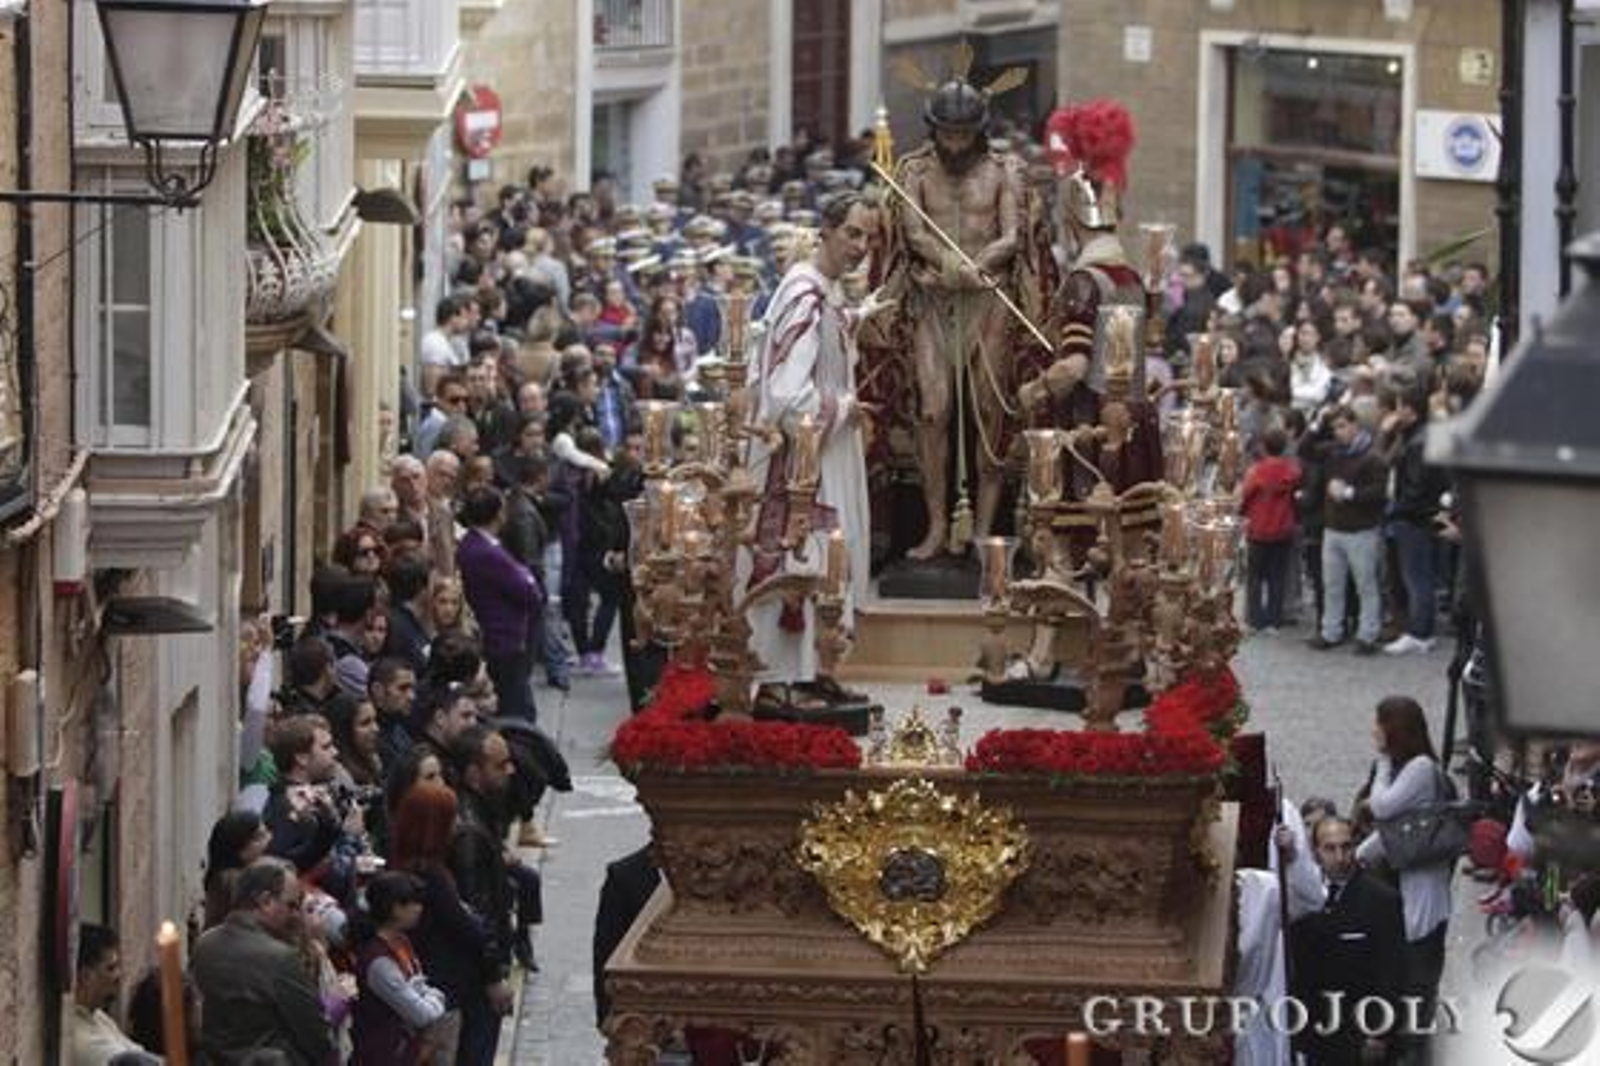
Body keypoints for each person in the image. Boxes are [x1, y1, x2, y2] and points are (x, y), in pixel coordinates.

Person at [746, 192, 886, 705]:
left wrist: (858, 316)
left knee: (830, 560)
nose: (861, 247)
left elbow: (824, 339)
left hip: (828, 453)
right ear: (824, 230)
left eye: (868, 237)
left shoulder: (821, 291)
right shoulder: (803, 292)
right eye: (852, 233)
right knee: (804, 558)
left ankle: (814, 670)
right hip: (806, 459)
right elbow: (785, 395)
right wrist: (846, 407)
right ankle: (780, 678)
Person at [890, 74, 1025, 559]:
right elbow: (914, 232)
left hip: (988, 300)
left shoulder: (1003, 171)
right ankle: (933, 526)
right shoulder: (914, 172)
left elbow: (1012, 236)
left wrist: (978, 267)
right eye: (946, 133)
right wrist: (953, 268)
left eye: (962, 134)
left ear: (978, 131)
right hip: (935, 299)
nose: (954, 143)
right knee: (933, 412)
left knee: (990, 412)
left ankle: (983, 527)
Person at [1356, 697, 1455, 1061]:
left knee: (1417, 985)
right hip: (1404, 895)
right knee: (1400, 982)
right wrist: (1355, 858)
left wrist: (1381, 764)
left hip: (1423, 899)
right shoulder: (1409, 770)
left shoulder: (1420, 768)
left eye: (1378, 722)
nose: (1372, 729)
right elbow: (1393, 833)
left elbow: (1382, 808)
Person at [392, 782, 512, 1066]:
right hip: (457, 984)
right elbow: (468, 929)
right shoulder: (433, 874)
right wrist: (494, 976)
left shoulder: (404, 867)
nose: (457, 825)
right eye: (451, 818)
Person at [191, 859, 336, 1065]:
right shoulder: (281, 958)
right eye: (291, 905)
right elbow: (316, 1035)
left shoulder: (205, 943)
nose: (295, 914)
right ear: (266, 901)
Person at [1287, 815, 1406, 1065]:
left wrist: (1379, 1032)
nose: (1340, 857)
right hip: (1314, 1030)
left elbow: (1392, 972)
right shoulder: (1303, 898)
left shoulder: (1382, 900)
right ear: (1316, 852)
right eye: (1330, 849)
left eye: (1346, 846)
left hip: (1358, 1031)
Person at [455, 487, 543, 723]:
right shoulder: (488, 552)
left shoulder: (474, 545)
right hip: (502, 639)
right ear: (499, 514)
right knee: (518, 709)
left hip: (497, 636)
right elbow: (530, 592)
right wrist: (526, 574)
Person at [350, 870, 453, 1065]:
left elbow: (421, 986)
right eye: (414, 903)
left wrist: (424, 994)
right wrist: (434, 997)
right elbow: (421, 1014)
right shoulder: (379, 962)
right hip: (387, 1054)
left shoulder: (401, 941)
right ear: (396, 909)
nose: (420, 909)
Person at [1309, 406, 1388, 654]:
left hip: (1361, 530)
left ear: (1356, 425)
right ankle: (1331, 631)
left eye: (1343, 426)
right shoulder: (1334, 452)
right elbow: (1305, 449)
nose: (1338, 432)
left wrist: (1350, 493)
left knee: (1366, 585)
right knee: (1332, 584)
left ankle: (1368, 635)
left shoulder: (1373, 457)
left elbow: (1379, 492)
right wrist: (1317, 424)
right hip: (1333, 529)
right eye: (1335, 428)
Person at [71, 924, 160, 1066]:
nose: (118, 976)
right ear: (85, 977)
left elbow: (141, 1054)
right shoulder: (80, 1038)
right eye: (111, 968)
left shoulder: (97, 1016)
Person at [1240, 427, 1301, 632]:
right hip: (1283, 529)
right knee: (1277, 576)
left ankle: (1255, 619)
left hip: (1258, 530)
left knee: (1255, 577)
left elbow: (1245, 497)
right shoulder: (1291, 471)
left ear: (1264, 447)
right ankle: (1274, 619)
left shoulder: (1257, 471)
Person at [203, 809, 273, 930]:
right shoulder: (233, 880)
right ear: (239, 847)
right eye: (259, 837)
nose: (268, 839)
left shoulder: (233, 875)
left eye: (267, 833)